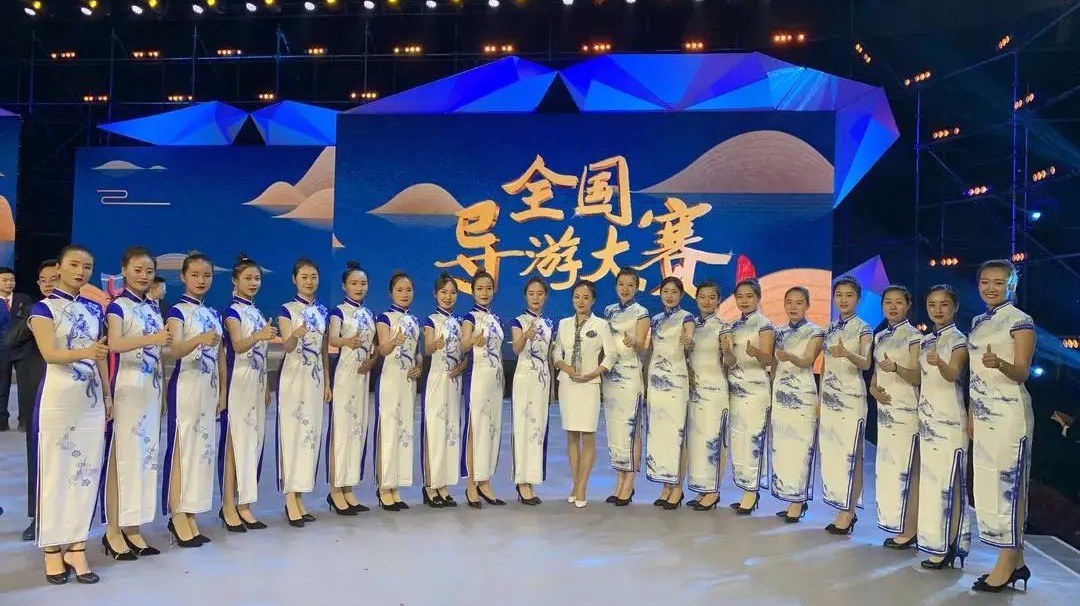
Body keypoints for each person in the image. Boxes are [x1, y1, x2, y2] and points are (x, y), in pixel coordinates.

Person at [29, 245, 109, 584]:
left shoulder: (94, 309)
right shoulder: (43, 309)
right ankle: (51, 548)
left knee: (86, 472)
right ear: (59, 268)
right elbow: (50, 354)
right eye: (74, 264)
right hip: (58, 401)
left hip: (90, 401)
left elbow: (101, 355)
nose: (80, 271)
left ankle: (77, 546)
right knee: (55, 472)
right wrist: (88, 351)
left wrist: (107, 393)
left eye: (87, 267)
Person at [968, 260, 1036, 592]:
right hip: (982, 414)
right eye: (985, 281)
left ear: (1011, 286)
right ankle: (1017, 562)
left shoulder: (1021, 321)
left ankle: (1005, 564)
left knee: (1008, 486)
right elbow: (974, 374)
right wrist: (971, 413)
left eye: (998, 282)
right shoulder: (978, 322)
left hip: (1009, 414)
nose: (990, 288)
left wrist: (1000, 363)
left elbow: (1022, 372)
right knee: (988, 485)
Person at [101, 247, 170, 560]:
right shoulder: (118, 306)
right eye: (138, 270)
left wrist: (163, 390)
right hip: (127, 389)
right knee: (123, 460)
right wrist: (151, 339)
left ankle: (133, 527)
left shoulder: (152, 307)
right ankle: (113, 531)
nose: (144, 276)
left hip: (149, 391)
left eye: (149, 271)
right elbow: (114, 344)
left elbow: (158, 354)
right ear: (124, 270)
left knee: (145, 459)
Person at [163, 251, 223, 547]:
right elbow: (174, 350)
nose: (201, 280)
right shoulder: (177, 312)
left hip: (208, 390)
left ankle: (192, 513)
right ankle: (177, 515)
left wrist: (223, 392)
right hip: (186, 387)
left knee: (202, 452)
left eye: (207, 275)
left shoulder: (213, 313)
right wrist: (198, 339)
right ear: (183, 277)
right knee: (182, 449)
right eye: (195, 275)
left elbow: (221, 355)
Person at [916, 284, 972, 569]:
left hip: (950, 420)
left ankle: (952, 544)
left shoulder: (959, 340)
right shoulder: (925, 340)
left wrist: (940, 363)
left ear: (955, 307)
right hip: (927, 419)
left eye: (944, 304)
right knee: (931, 482)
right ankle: (935, 541)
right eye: (932, 304)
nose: (938, 310)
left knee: (950, 483)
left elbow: (953, 373)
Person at [220, 254, 277, 531]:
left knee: (253, 444)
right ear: (235, 280)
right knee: (235, 444)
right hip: (239, 384)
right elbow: (238, 345)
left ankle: (244, 503)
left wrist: (265, 386)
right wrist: (258, 336)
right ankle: (228, 506)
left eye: (257, 278)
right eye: (248, 278)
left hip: (256, 384)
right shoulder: (232, 312)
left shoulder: (256, 312)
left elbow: (262, 354)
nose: (253, 283)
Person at [277, 257, 331, 526]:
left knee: (310, 437)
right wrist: (295, 335)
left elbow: (323, 350)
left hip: (315, 380)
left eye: (313, 277)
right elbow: (287, 347)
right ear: (294, 280)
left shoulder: (322, 311)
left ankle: (300, 498)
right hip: (293, 380)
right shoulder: (287, 310)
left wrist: (328, 383)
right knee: (293, 435)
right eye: (304, 277)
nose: (309, 282)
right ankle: (290, 499)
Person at [8, 259, 58, 542]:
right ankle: (38, 516)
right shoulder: (32, 311)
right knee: (37, 457)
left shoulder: (79, 312)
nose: (49, 284)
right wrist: (31, 318)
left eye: (54, 278)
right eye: (43, 280)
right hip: (38, 394)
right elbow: (8, 342)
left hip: (74, 395)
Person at [553, 279, 614, 508]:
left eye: (586, 297)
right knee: (571, 436)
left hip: (589, 385)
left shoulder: (601, 325)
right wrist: (564, 366)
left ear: (593, 300)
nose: (581, 301)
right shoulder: (564, 324)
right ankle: (575, 483)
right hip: (568, 384)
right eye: (577, 297)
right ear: (572, 299)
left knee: (588, 435)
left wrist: (594, 373)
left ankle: (582, 487)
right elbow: (556, 352)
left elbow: (611, 354)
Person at [870, 285, 923, 549]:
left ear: (908, 306)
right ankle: (898, 524)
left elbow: (917, 376)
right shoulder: (880, 336)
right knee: (890, 469)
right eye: (888, 302)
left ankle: (911, 529)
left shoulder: (915, 337)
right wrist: (873, 389)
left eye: (898, 302)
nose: (892, 307)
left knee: (908, 470)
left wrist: (896, 368)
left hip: (906, 410)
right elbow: (876, 374)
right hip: (885, 411)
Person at [819, 276, 873, 534]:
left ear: (858, 299)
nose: (843, 300)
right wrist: (820, 399)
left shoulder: (864, 328)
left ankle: (849, 511)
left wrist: (848, 353)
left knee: (852, 454)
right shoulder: (829, 329)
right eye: (839, 295)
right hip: (829, 398)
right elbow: (825, 366)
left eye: (849, 295)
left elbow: (866, 362)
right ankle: (840, 505)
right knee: (833, 454)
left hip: (851, 399)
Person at [326, 261, 377, 514]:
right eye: (354, 283)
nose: (359, 287)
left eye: (363, 283)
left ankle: (349, 489)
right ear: (344, 286)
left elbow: (375, 345)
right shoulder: (338, 312)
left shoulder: (369, 314)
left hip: (361, 377)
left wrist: (372, 360)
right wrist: (347, 341)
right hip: (345, 376)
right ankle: (335, 490)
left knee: (358, 431)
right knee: (342, 432)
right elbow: (332, 338)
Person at [769, 286, 824, 522]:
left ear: (807, 305)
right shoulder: (778, 332)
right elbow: (774, 366)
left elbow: (808, 360)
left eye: (799, 302)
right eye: (789, 302)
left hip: (802, 395)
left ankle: (799, 501)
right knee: (783, 447)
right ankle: (790, 496)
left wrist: (790, 356)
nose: (793, 307)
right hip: (781, 394)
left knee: (801, 448)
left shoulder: (815, 332)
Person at [644, 277, 695, 510]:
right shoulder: (655, 320)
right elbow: (651, 351)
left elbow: (690, 340)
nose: (670, 296)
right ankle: (665, 485)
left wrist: (688, 341)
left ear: (681, 295)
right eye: (666, 291)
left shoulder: (686, 317)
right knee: (660, 435)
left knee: (677, 435)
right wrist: (646, 380)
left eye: (674, 292)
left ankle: (677, 487)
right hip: (656, 382)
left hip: (675, 382)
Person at [725, 277, 775, 515]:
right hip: (735, 390)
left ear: (758, 298)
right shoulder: (732, 326)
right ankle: (744, 488)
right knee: (738, 439)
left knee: (753, 439)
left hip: (755, 391)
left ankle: (752, 492)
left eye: (749, 296)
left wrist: (756, 353)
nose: (744, 301)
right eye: (740, 297)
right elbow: (730, 360)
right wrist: (726, 351)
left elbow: (768, 359)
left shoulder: (764, 325)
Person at [601, 267, 649, 506]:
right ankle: (619, 480)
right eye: (621, 284)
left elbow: (641, 347)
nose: (625, 289)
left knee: (631, 429)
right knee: (616, 430)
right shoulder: (608, 311)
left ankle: (629, 483)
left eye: (630, 285)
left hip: (630, 377)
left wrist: (634, 342)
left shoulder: (642, 313)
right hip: (611, 378)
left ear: (637, 288)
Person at [374, 271, 421, 510]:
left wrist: (418, 366)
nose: (405, 294)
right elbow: (382, 349)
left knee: (404, 432)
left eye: (408, 290)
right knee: (389, 431)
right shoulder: (385, 318)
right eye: (400, 290)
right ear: (391, 293)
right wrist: (393, 341)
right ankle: (384, 487)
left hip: (408, 382)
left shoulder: (414, 320)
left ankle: (396, 487)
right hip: (390, 380)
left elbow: (417, 352)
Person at [685, 280, 733, 511]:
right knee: (697, 441)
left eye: (711, 297)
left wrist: (728, 350)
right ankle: (703, 488)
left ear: (718, 300)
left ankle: (714, 491)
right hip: (695, 392)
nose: (706, 301)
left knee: (714, 440)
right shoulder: (691, 325)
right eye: (702, 297)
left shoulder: (723, 327)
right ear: (696, 299)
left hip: (715, 392)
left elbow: (730, 361)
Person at [460, 271, 506, 507]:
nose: (484, 292)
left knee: (491, 430)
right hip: (477, 380)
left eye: (488, 288)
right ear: (473, 292)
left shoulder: (496, 318)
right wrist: (472, 341)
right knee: (475, 429)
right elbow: (463, 345)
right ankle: (471, 484)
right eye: (480, 288)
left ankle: (485, 481)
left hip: (494, 382)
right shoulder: (470, 317)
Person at [420, 272, 464, 508]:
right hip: (437, 380)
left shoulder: (459, 323)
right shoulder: (431, 320)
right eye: (444, 292)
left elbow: (465, 352)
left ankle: (443, 484)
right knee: (436, 431)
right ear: (435, 294)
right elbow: (427, 347)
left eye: (452, 293)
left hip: (454, 382)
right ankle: (430, 485)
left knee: (450, 432)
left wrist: (462, 366)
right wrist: (434, 345)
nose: (448, 297)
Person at [510, 276, 554, 505]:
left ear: (545, 296)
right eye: (531, 293)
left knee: (538, 429)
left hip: (542, 381)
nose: (535, 297)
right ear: (525, 296)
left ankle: (532, 478)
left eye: (540, 293)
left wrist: (553, 385)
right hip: (524, 378)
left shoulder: (549, 324)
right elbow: (516, 349)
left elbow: (550, 355)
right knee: (523, 428)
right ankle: (522, 481)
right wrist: (525, 337)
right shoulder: (518, 322)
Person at [0, 265, 34, 431]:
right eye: (5, 280)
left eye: (12, 280)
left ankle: (25, 421)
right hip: (1, 350)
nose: (9, 283)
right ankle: (1, 421)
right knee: (1, 386)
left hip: (22, 349)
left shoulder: (24, 299)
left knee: (25, 387)